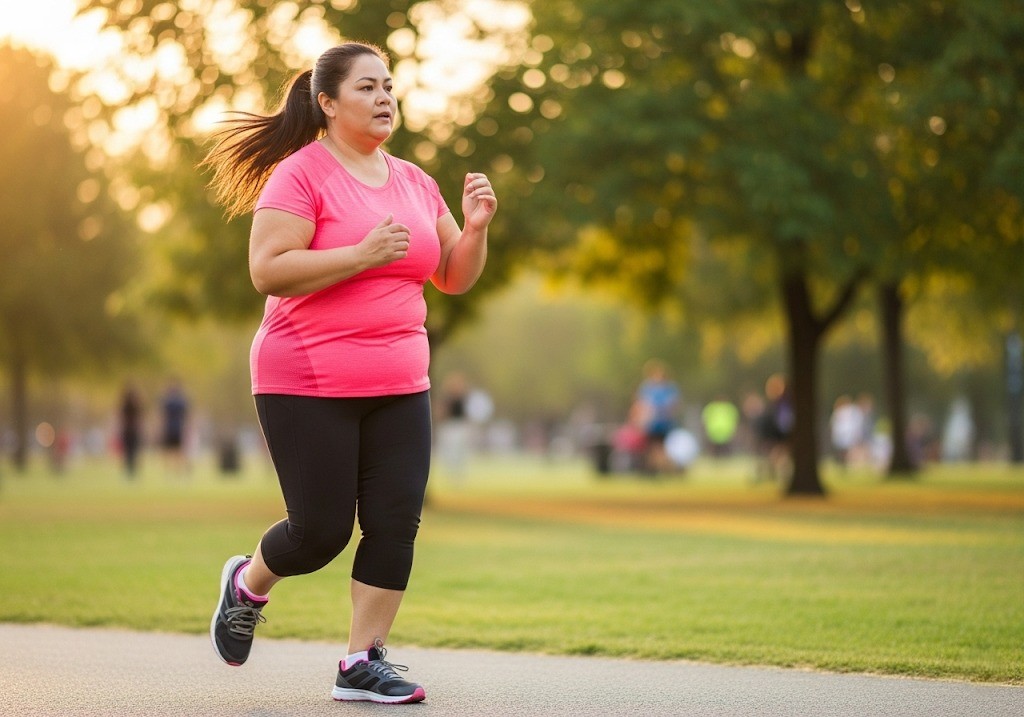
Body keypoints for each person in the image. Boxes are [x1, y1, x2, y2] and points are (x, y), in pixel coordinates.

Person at [201, 42, 496, 705]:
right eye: (367, 87)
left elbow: (452, 275)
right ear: (328, 104)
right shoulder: (299, 175)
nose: (385, 97)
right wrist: (358, 254)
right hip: (305, 379)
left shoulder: (415, 181)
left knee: (395, 523)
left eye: (389, 85)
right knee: (320, 531)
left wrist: (475, 230)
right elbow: (267, 268)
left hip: (400, 384)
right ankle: (248, 584)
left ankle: (361, 660)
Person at [634, 359, 680, 474]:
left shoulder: (669, 389)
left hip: (663, 423)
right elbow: (641, 404)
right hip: (650, 423)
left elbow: (674, 405)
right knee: (651, 448)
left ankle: (666, 469)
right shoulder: (647, 388)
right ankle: (654, 470)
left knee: (661, 448)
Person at [160, 378, 190, 476]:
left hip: (177, 428)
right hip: (172, 428)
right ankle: (171, 471)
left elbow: (185, 416)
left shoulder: (177, 401)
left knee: (177, 450)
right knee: (171, 450)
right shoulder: (173, 401)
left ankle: (176, 471)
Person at [119, 382, 143, 478]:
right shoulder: (127, 405)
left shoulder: (134, 405)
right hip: (129, 430)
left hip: (132, 430)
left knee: (133, 450)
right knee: (129, 451)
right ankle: (129, 470)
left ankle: (132, 470)